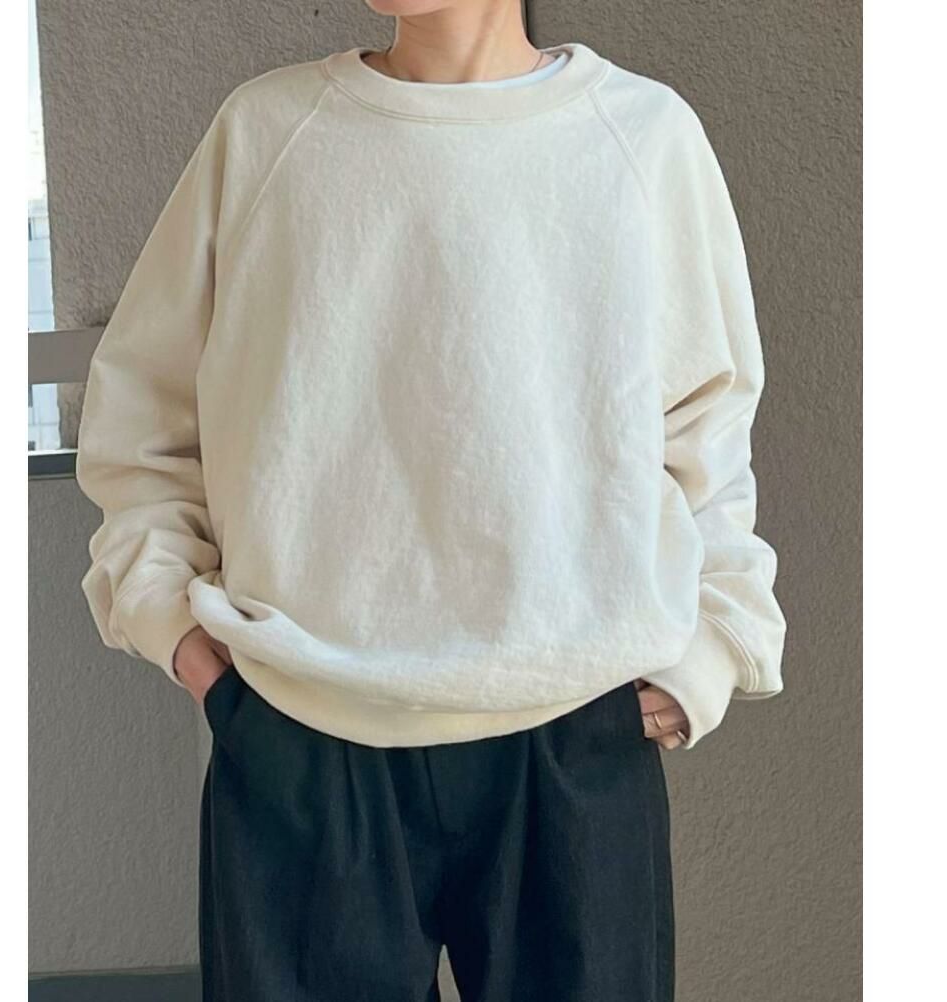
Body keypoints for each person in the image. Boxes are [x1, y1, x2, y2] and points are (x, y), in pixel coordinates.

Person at [76, 3, 787, 999]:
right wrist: (179, 631)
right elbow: (143, 411)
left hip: (571, 732)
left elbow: (708, 423)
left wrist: (708, 649)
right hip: (304, 729)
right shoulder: (268, 132)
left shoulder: (642, 135)